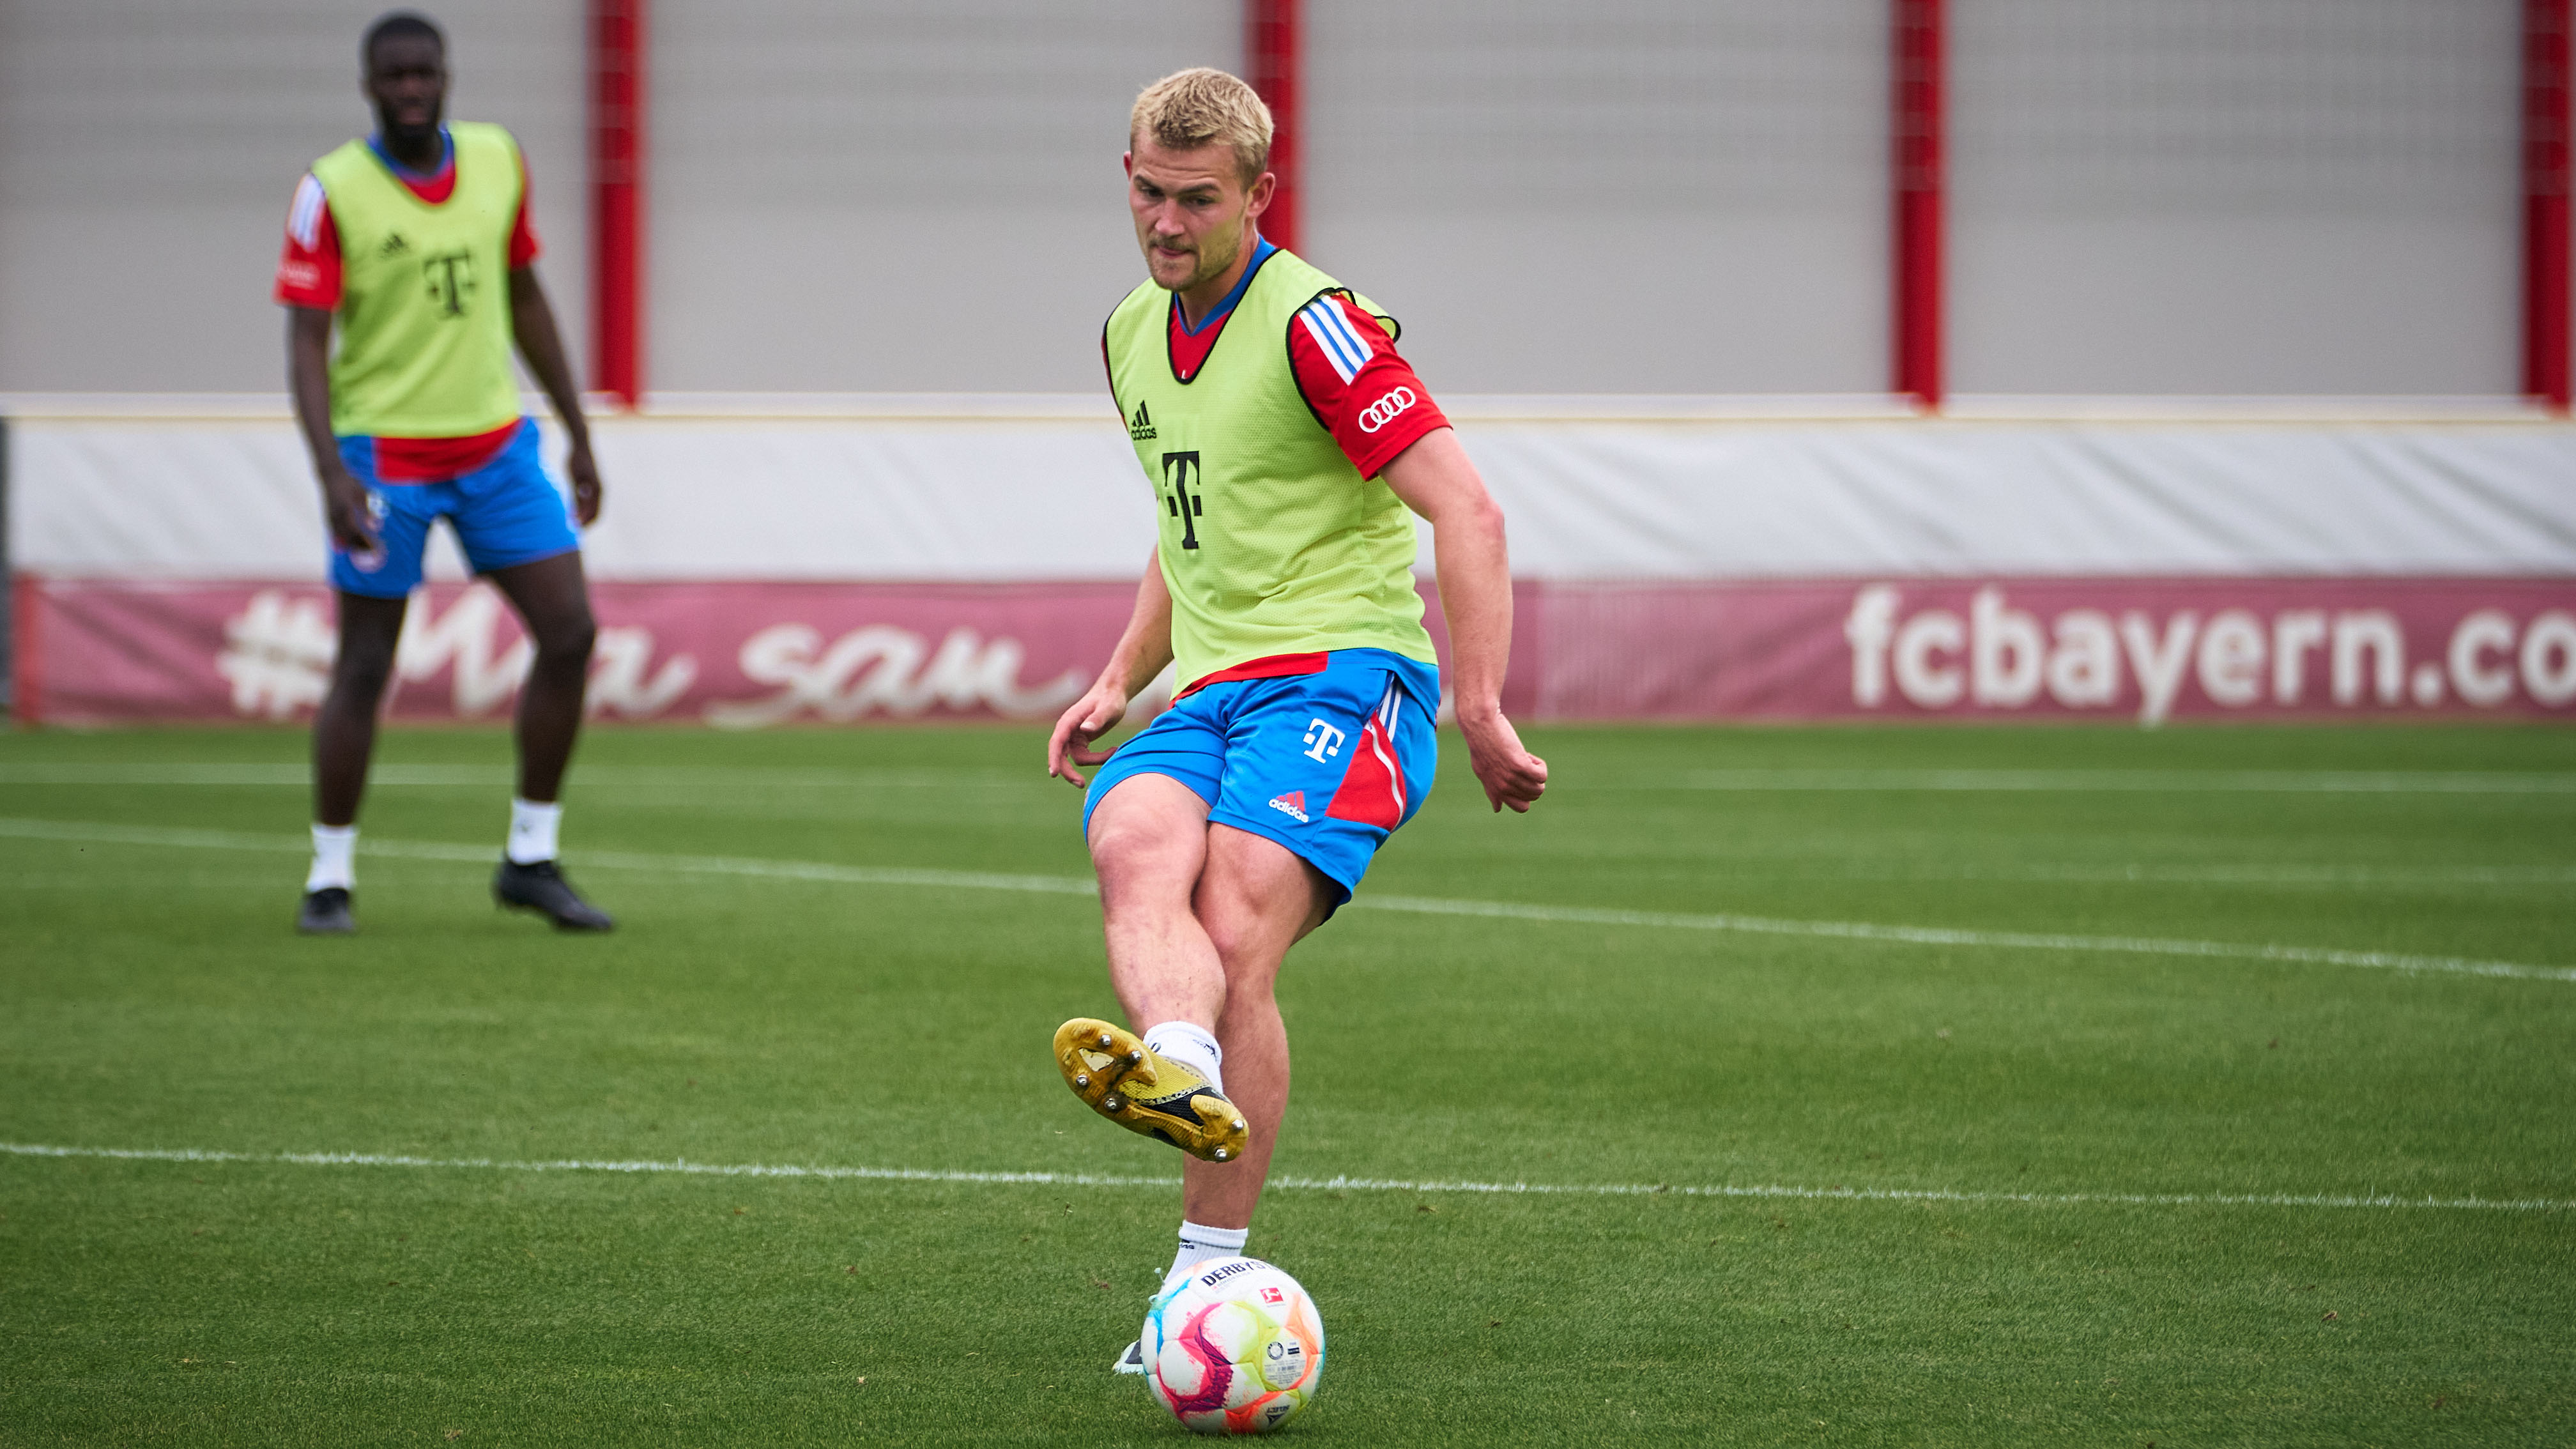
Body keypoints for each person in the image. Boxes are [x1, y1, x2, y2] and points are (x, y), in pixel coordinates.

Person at [1044, 67, 1548, 1374]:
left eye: (1198, 201)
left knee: (1234, 919)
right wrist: (1120, 675)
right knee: (1132, 843)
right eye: (1149, 192)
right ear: (1128, 176)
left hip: (1346, 678)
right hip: (1208, 690)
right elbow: (1185, 516)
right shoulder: (1125, 336)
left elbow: (1469, 513)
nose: (1167, 223)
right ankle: (1176, 1066)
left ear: (1261, 195)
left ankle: (1201, 1280)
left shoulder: (1319, 325)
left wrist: (1482, 706)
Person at [275, 11, 611, 935]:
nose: (412, 88)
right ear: (369, 85)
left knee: (572, 632)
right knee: (367, 662)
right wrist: (330, 472)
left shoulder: (499, 159)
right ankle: (330, 875)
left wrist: (578, 431)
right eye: (395, 76)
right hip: (386, 457)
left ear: (447, 76)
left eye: (426, 72)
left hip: (496, 446)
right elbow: (307, 342)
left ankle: (530, 859)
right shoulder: (332, 190)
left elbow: (525, 293)